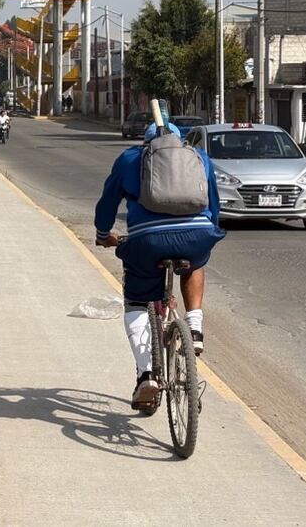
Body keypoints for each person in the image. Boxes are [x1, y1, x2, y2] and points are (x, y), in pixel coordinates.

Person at [94, 121, 224, 410]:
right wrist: (208, 233)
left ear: (147, 142)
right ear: (179, 142)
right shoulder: (199, 156)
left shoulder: (131, 158)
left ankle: (146, 374)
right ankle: (194, 327)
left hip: (147, 241)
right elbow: (213, 202)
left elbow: (108, 202)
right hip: (197, 235)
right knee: (194, 265)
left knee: (136, 302)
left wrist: (103, 235)